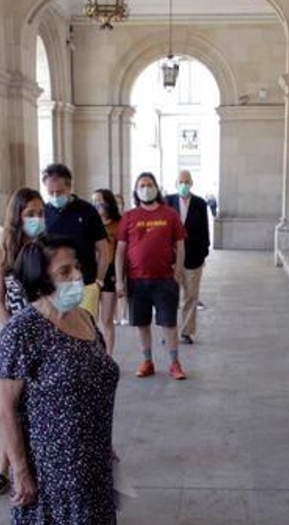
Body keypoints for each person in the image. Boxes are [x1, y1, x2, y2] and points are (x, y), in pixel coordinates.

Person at [0, 237, 143, 525]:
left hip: (92, 453)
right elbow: (4, 409)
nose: (76, 277)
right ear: (41, 281)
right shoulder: (22, 330)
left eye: (75, 267)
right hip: (48, 459)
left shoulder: (84, 317)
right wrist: (20, 470)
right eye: (63, 272)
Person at [0, 188, 48, 498]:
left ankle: (37, 462)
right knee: (9, 406)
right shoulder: (2, 253)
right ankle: (3, 469)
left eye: (40, 212)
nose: (37, 219)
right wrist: (14, 333)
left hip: (46, 334)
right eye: (30, 213)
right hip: (16, 336)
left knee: (34, 405)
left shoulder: (47, 248)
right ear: (17, 216)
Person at [117, 172, 188, 380]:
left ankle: (174, 363)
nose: (146, 188)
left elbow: (180, 246)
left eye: (149, 184)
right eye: (142, 185)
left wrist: (178, 273)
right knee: (142, 323)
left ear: (156, 188)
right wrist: (120, 280)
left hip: (165, 279)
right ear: (136, 190)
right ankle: (147, 361)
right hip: (137, 280)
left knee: (169, 323)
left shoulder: (170, 214)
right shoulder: (129, 217)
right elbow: (120, 251)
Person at [41, 163, 110, 307]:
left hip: (85, 284)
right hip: (53, 286)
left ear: (69, 187)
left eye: (59, 192)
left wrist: (99, 281)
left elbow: (103, 249)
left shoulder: (87, 210)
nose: (55, 196)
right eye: (50, 193)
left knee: (84, 327)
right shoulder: (44, 213)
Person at [165, 169, 211, 344]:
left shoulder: (200, 203)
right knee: (169, 296)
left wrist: (204, 252)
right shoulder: (168, 201)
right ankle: (168, 330)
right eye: (181, 182)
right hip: (171, 258)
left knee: (191, 296)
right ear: (176, 184)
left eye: (187, 182)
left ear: (191, 183)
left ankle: (187, 331)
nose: (184, 185)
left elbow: (205, 230)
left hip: (194, 258)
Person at [91, 188, 124, 353]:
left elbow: (122, 254)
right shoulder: (90, 222)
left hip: (110, 272)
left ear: (108, 203)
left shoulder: (118, 224)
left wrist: (121, 279)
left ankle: (108, 357)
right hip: (91, 272)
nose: (96, 206)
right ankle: (93, 355)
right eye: (93, 202)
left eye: (99, 202)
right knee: (89, 319)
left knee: (106, 319)